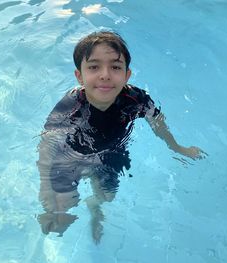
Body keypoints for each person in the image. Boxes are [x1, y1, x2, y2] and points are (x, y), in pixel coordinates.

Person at [36, 31, 206, 243]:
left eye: (115, 67)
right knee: (59, 217)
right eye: (94, 67)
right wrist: (45, 184)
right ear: (79, 76)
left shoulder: (135, 99)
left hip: (111, 153)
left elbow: (158, 123)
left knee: (107, 196)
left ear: (127, 75)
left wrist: (177, 148)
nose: (105, 75)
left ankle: (94, 208)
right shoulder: (70, 106)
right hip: (70, 157)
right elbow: (47, 143)